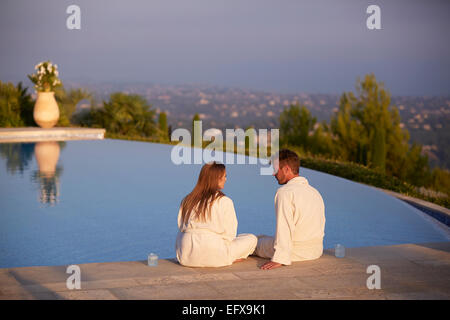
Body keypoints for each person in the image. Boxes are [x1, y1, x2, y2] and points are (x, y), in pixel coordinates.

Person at [254, 149, 326, 270]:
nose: (273, 174)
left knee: (252, 242)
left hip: (295, 252)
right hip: (315, 251)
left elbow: (284, 226)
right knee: (264, 238)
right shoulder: (315, 192)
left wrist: (280, 258)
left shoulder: (285, 192)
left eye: (276, 169)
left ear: (286, 169)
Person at [176, 161, 257, 267]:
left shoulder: (187, 200)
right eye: (224, 176)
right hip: (215, 254)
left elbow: (181, 227)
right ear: (216, 179)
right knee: (252, 239)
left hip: (186, 256)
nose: (226, 179)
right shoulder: (224, 201)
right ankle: (231, 257)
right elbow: (230, 234)